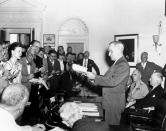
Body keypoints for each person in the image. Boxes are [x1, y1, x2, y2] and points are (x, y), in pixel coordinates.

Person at [86, 41, 130, 125]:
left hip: (114, 103)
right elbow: (107, 78)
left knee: (111, 127)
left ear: (118, 50)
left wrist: (95, 77)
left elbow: (113, 82)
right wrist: (94, 77)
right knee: (107, 126)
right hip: (110, 101)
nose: (109, 54)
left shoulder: (122, 64)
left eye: (111, 51)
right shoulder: (117, 63)